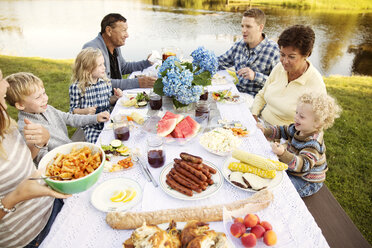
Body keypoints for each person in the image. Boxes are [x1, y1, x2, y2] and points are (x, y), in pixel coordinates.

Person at [0, 69, 71, 248]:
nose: (6, 85)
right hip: (30, 237)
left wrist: (40, 143)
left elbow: (23, 161)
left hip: (52, 205)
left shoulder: (5, 122)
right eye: (1, 80)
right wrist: (16, 196)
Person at [5, 71, 110, 164]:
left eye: (44, 93)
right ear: (20, 105)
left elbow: (70, 118)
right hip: (66, 163)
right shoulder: (26, 128)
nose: (45, 98)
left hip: (73, 150)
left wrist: (95, 118)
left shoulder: (47, 109)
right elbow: (41, 158)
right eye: (38, 97)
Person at [257, 93, 341, 197]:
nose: (296, 117)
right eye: (296, 112)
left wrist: (283, 153)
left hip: (305, 180)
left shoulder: (313, 144)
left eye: (301, 116)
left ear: (317, 123)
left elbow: (303, 165)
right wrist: (266, 131)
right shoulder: (299, 128)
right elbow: (284, 130)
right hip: (293, 169)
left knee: (279, 190)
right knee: (267, 174)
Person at [251, 25, 327, 126]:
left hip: (286, 136)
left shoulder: (315, 84)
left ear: (306, 54)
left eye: (291, 57)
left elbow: (318, 123)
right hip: (262, 123)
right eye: (282, 55)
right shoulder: (279, 67)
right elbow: (262, 94)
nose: (285, 61)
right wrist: (253, 115)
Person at [218, 8, 280, 100]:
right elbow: (220, 62)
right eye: (242, 26)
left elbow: (279, 85)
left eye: (248, 26)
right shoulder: (239, 45)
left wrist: (255, 76)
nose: (243, 30)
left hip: (258, 101)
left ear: (260, 27)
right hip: (235, 96)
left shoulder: (274, 50)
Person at [83, 13, 156, 90]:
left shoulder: (115, 46)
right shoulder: (91, 49)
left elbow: (123, 67)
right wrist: (137, 83)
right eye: (123, 30)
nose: (127, 35)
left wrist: (147, 63)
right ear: (109, 31)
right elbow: (100, 82)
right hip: (102, 100)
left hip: (117, 96)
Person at [69, 47, 121, 143]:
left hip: (107, 121)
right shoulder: (77, 87)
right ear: (88, 69)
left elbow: (108, 101)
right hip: (90, 125)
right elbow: (72, 111)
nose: (104, 67)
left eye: (103, 64)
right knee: (98, 144)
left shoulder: (105, 82)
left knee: (118, 139)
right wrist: (86, 111)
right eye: (100, 65)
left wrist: (115, 97)